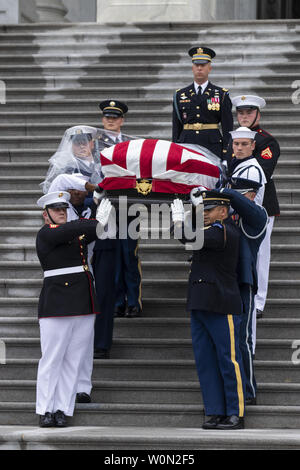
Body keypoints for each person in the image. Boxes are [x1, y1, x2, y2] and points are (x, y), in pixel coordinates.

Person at [35, 191, 112, 427]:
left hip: (82, 302)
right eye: (56, 209)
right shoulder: (47, 233)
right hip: (57, 303)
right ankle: (45, 408)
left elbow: (100, 233)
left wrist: (104, 216)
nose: (61, 212)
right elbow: (81, 229)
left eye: (64, 208)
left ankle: (62, 408)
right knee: (53, 358)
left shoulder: (74, 233)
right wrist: (95, 220)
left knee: (73, 359)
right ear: (45, 214)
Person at [171, 191, 245, 430]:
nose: (204, 213)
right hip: (200, 302)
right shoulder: (209, 231)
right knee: (206, 361)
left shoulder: (224, 231)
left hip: (222, 303)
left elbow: (189, 237)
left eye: (209, 210)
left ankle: (235, 412)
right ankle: (214, 410)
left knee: (228, 360)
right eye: (203, 209)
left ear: (223, 212)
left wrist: (179, 221)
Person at [229, 95, 281, 319]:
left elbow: (261, 173)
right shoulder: (234, 138)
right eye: (240, 113)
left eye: (249, 113)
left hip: (261, 205)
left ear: (258, 114)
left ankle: (258, 301)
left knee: (260, 254)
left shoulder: (266, 142)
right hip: (234, 206)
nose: (244, 117)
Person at [221, 177, 268, 406]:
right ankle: (231, 387)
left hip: (243, 283)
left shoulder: (258, 215)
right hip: (223, 282)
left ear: (250, 195)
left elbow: (240, 203)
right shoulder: (227, 218)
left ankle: (248, 390)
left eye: (241, 194)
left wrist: (225, 192)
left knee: (243, 340)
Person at [97, 99, 142, 319]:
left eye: (115, 117)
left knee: (129, 253)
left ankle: (134, 300)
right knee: (111, 254)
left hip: (129, 203)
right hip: (107, 205)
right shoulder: (94, 143)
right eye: (107, 117)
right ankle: (116, 300)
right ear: (102, 119)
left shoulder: (132, 144)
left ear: (122, 120)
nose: (111, 121)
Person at [172, 46, 233, 159]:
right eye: (196, 65)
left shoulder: (221, 94)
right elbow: (176, 127)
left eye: (203, 65)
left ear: (210, 68)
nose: (199, 68)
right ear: (192, 68)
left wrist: (226, 153)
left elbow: (227, 127)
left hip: (212, 145)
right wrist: (175, 149)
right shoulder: (180, 94)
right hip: (187, 144)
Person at [227, 127, 266, 206]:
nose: (239, 148)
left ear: (253, 145)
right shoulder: (238, 164)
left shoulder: (251, 170)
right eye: (236, 143)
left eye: (244, 144)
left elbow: (242, 204)